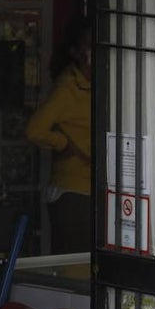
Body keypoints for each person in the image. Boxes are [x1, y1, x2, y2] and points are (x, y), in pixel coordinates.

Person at [26, 18, 93, 253]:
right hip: (73, 192)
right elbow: (34, 129)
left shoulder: (99, 84)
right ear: (76, 52)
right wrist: (63, 144)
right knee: (76, 270)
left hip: (92, 191)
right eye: (88, 45)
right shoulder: (68, 87)